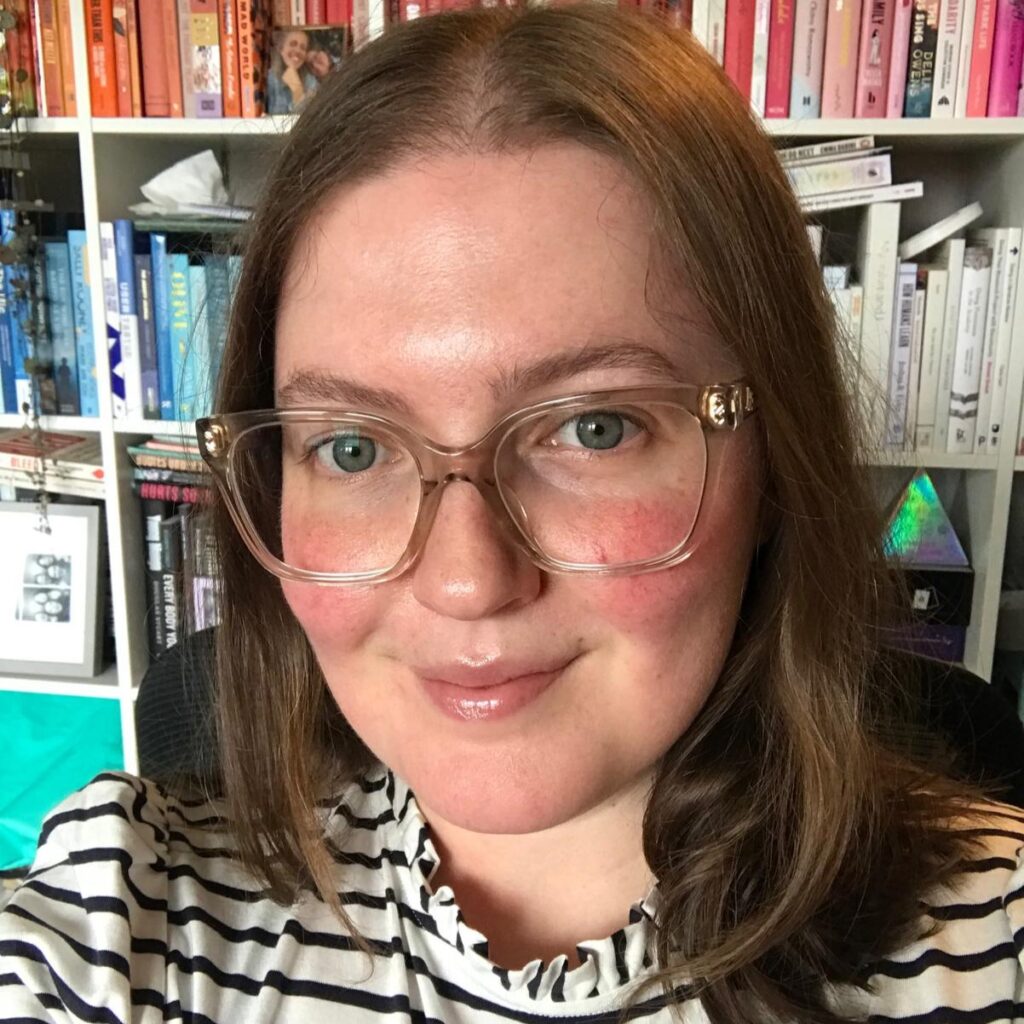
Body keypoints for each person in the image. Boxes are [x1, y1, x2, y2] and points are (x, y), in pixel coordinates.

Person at [1, 4, 1022, 1021]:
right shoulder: (116, 914)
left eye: (594, 429)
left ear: (769, 462)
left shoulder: (995, 943)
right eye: (352, 448)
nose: (466, 579)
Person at [266, 28, 320, 114]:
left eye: (303, 48)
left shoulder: (311, 82)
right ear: (281, 49)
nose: (298, 51)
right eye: (293, 44)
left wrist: (296, 88)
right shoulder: (268, 79)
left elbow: (308, 119)